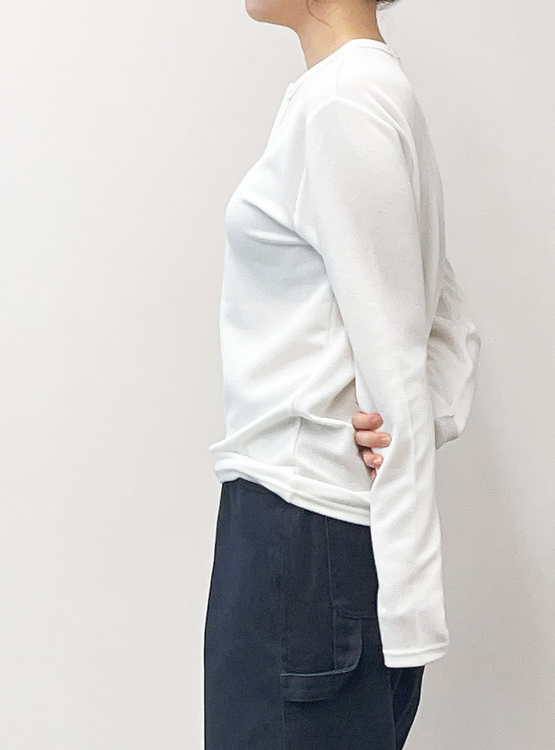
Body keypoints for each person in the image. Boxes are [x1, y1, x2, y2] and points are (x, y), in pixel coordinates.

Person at [203, 1, 481, 747]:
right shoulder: (352, 92)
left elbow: (403, 347)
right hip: (301, 533)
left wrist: (410, 617)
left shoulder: (343, 102)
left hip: (302, 539)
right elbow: (443, 318)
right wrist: (411, 420)